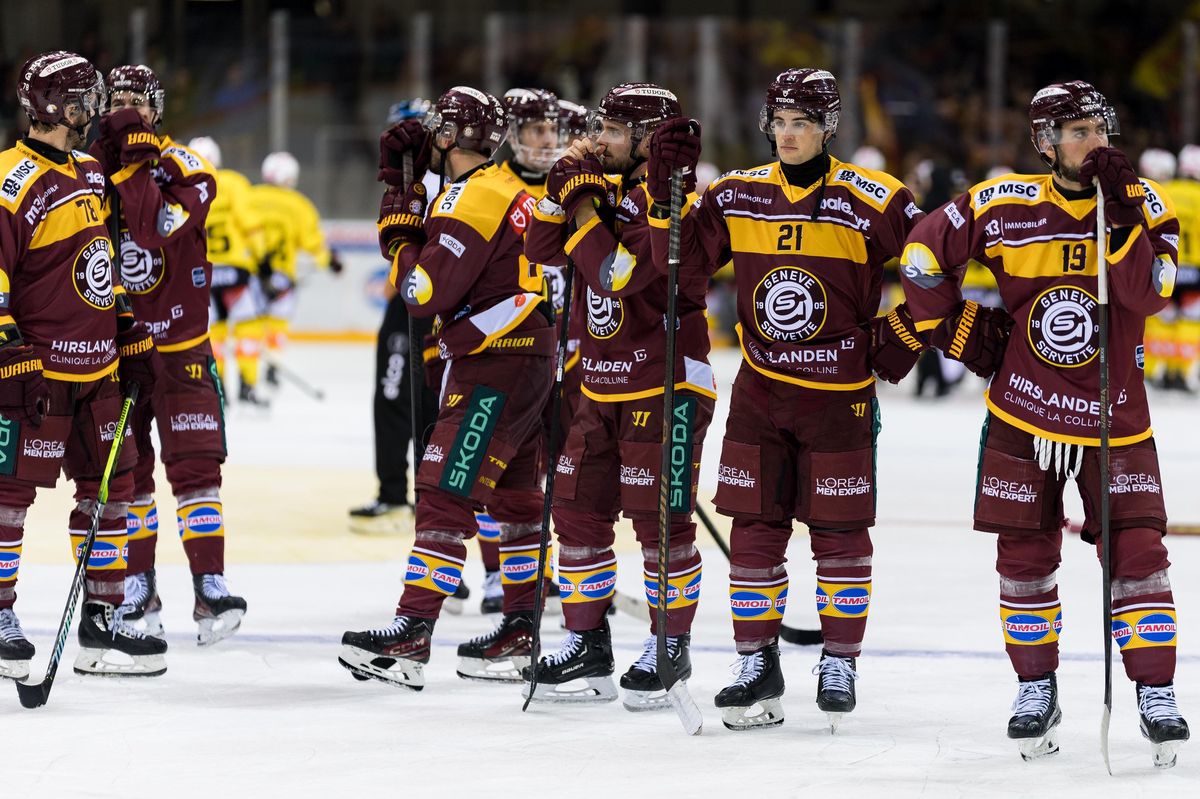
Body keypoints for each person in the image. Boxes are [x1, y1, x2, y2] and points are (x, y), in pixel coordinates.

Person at [898, 80, 1190, 766]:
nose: (1095, 142)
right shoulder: (1001, 205)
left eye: (1100, 128)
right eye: (1079, 131)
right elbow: (919, 256)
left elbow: (1149, 293)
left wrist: (1118, 216)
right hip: (1021, 411)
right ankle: (1036, 685)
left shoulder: (1147, 204)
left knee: (1140, 558)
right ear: (1046, 142)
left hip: (1115, 418)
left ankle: (1156, 691)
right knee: (1024, 560)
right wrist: (962, 331)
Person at [648, 68, 925, 731]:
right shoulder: (737, 194)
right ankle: (755, 660)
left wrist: (900, 337)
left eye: (803, 122)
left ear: (828, 127)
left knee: (839, 533)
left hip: (840, 399)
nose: (789, 134)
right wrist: (665, 197)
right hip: (761, 391)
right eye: (780, 121)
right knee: (754, 528)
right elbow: (674, 268)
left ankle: (840, 659)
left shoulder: (875, 198)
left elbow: (936, 264)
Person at [338, 86, 553, 689]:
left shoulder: (472, 195)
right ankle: (519, 628)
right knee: (514, 497)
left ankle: (411, 634)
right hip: (525, 355)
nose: (429, 138)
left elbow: (424, 294)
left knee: (441, 491)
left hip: (496, 363)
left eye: (437, 129)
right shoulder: (503, 188)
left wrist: (402, 233)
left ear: (451, 137)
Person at [520, 83, 715, 709]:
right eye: (599, 129)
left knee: (659, 522)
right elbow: (537, 247)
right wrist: (566, 195)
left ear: (645, 140)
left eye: (611, 132)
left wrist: (579, 208)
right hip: (601, 382)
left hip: (666, 383)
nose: (598, 141)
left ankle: (669, 643)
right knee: (576, 513)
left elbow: (618, 275)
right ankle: (587, 645)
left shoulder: (674, 200)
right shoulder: (600, 187)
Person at [0, 51, 166, 678]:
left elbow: (107, 261)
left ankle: (103, 622)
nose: (94, 109)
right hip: (36, 376)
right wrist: (8, 348)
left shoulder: (95, 173)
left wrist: (127, 330)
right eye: (84, 98)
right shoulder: (9, 180)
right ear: (58, 106)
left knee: (111, 491)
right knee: (8, 497)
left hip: (98, 371)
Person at [92, 64, 247, 647]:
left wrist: (136, 165)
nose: (127, 109)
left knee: (197, 471)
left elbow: (157, 228)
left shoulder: (186, 167)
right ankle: (139, 584)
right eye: (118, 99)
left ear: (158, 108)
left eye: (138, 101)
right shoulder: (88, 171)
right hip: (118, 353)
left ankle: (210, 583)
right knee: (126, 477)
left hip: (181, 351)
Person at [348, 99, 440, 537]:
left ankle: (418, 498)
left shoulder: (441, 180)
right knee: (397, 397)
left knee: (417, 402)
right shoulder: (403, 181)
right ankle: (400, 494)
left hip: (424, 302)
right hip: (410, 299)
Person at [187, 136, 269, 407]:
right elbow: (250, 224)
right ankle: (248, 384)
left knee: (215, 333)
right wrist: (262, 259)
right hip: (236, 272)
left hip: (204, 273)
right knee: (247, 328)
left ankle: (218, 386)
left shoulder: (183, 186)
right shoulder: (234, 183)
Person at [251, 150, 344, 389]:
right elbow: (313, 244)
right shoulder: (299, 205)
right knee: (278, 324)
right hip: (283, 276)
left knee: (249, 327)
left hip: (253, 274)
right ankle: (272, 368)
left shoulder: (250, 197)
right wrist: (331, 262)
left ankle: (245, 378)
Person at [1160, 144, 1200, 391]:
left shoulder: (1165, 190)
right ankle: (1183, 373)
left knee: (1162, 321)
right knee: (1190, 322)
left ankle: (1159, 370)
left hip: (1167, 267)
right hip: (1195, 270)